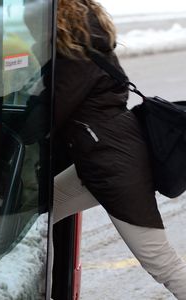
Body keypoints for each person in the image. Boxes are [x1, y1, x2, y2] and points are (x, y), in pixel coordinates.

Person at [52, 0, 186, 299]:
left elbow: (50, 113)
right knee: (37, 211)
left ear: (58, 21)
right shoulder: (94, 47)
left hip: (114, 166)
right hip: (106, 155)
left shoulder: (75, 59)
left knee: (163, 264)